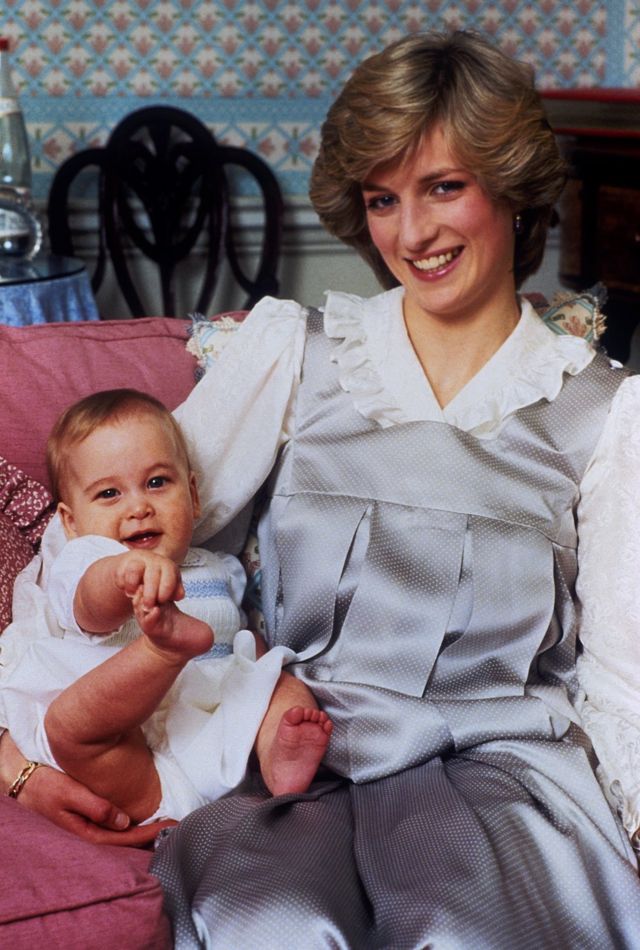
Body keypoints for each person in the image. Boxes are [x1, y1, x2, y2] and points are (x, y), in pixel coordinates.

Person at [3, 27, 640, 946]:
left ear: (512, 186)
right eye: (383, 199)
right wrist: (15, 757)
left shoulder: (603, 413)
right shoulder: (298, 358)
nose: (411, 234)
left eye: (444, 188)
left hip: (508, 779)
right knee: (271, 924)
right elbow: (112, 547)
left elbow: (624, 682)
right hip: (297, 762)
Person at [0, 389, 331, 825]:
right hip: (131, 747)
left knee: (279, 682)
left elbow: (246, 638)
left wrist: (267, 678)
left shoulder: (223, 569)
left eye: (157, 483)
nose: (138, 507)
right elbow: (90, 608)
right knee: (68, 728)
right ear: (71, 522)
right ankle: (163, 651)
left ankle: (279, 760)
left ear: (193, 495)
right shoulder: (84, 563)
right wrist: (121, 575)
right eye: (108, 494)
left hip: (216, 723)